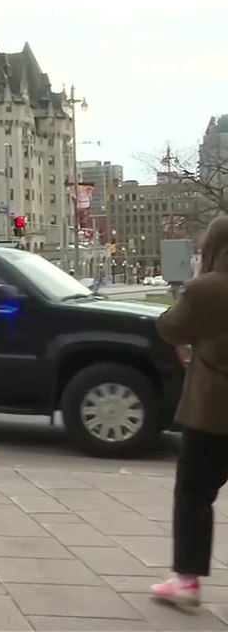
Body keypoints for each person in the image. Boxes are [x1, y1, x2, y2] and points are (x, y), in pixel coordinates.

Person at [152, 215, 228, 607]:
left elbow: (170, 327)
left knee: (195, 493)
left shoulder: (208, 288)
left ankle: (187, 581)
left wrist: (196, 280)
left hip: (213, 410)